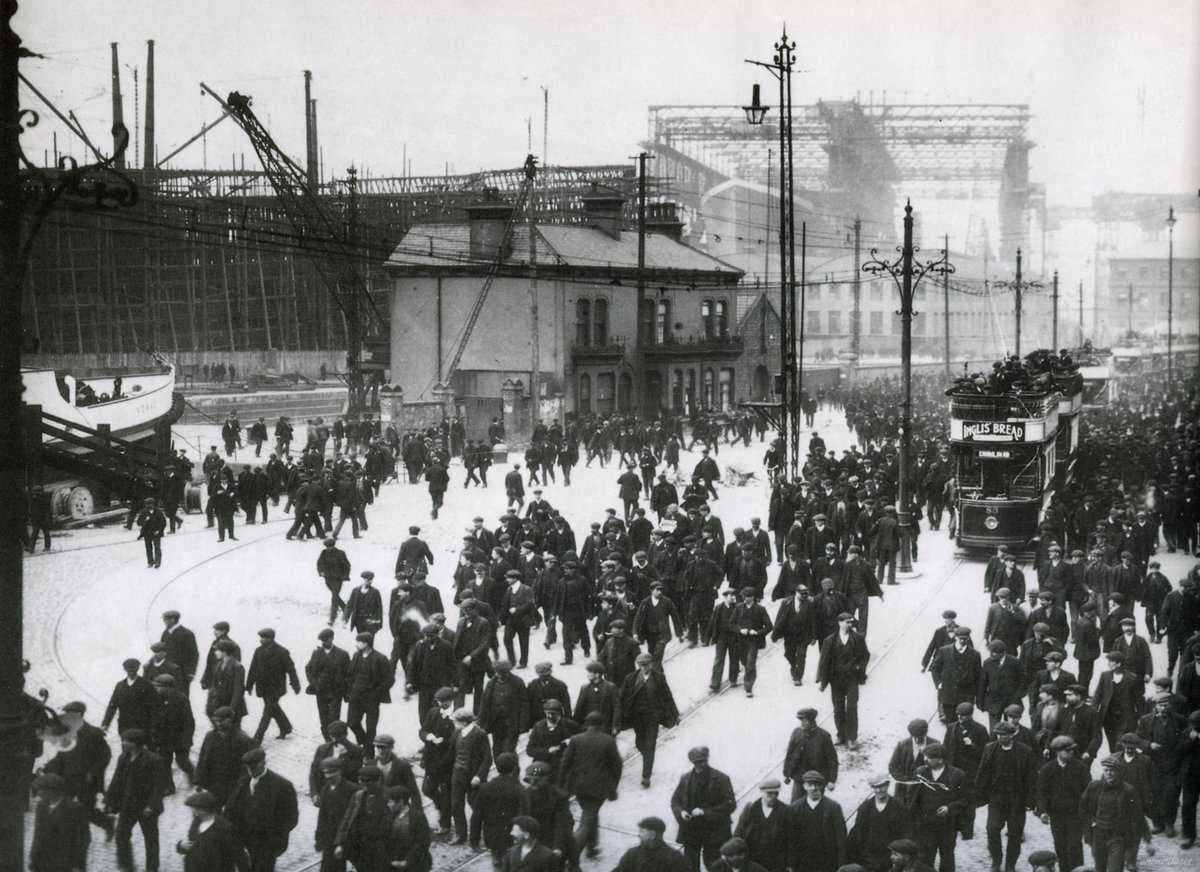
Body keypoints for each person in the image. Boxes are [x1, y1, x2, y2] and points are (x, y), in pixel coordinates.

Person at [974, 721, 1038, 872]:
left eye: (1005, 735)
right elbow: (982, 772)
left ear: (1013, 734)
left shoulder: (1025, 751)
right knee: (992, 829)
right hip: (996, 798)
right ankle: (996, 860)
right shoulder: (990, 749)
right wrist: (978, 795)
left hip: (1017, 799)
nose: (1001, 737)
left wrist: (1031, 800)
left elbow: (1032, 777)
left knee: (1015, 833)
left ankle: (1010, 865)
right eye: (999, 734)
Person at [223, 747, 299, 872]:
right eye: (247, 768)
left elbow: (291, 818)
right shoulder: (242, 783)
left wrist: (274, 837)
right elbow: (230, 809)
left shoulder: (282, 786)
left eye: (253, 767)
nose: (250, 771)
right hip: (243, 839)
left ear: (263, 762)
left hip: (266, 843)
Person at [104, 728, 166, 872]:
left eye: (126, 741)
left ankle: (152, 869)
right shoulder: (124, 757)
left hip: (146, 807)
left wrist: (151, 806)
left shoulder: (154, 759)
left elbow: (159, 786)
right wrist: (109, 801)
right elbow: (117, 780)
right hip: (128, 805)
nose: (123, 743)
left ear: (136, 743)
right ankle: (127, 866)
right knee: (121, 836)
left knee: (151, 840)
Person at [1078, 755, 1154, 872]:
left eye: (1112, 770)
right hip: (1098, 836)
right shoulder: (1094, 786)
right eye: (1106, 770)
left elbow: (1139, 817)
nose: (1109, 773)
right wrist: (1092, 822)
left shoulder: (1128, 791)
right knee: (1100, 868)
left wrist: (1148, 841)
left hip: (1118, 836)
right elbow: (1083, 808)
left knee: (1115, 869)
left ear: (1119, 772)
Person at [671, 746, 737, 872]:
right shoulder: (685, 778)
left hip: (714, 831)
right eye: (697, 762)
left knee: (713, 864)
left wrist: (704, 812)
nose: (701, 764)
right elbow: (675, 801)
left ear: (707, 758)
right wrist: (682, 812)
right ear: (692, 762)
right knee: (690, 866)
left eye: (703, 761)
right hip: (692, 830)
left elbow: (730, 804)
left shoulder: (721, 778)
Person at [619, 651, 680, 787]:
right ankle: (648, 758)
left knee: (650, 744)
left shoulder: (659, 678)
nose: (643, 668)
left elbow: (667, 697)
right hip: (636, 717)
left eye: (646, 665)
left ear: (651, 664)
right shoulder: (631, 678)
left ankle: (646, 776)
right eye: (640, 665)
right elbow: (622, 697)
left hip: (653, 717)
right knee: (640, 743)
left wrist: (676, 714)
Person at [906, 743, 969, 872]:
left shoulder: (957, 775)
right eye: (925, 756)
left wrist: (949, 808)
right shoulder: (920, 772)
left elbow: (966, 799)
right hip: (925, 825)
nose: (925, 760)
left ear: (940, 759)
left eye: (929, 757)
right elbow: (911, 796)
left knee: (947, 858)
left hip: (947, 826)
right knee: (925, 858)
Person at [1035, 736, 1089, 872]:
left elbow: (1089, 791)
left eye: (1072, 750)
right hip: (1057, 816)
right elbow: (1041, 793)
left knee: (1075, 846)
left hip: (1075, 815)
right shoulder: (1048, 769)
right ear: (1058, 752)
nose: (1071, 752)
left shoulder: (1080, 768)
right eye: (1068, 750)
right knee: (1060, 847)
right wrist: (1043, 812)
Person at [818, 612, 870, 748]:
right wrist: (822, 681)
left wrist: (860, 668)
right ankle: (841, 734)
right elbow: (824, 661)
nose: (850, 625)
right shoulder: (830, 640)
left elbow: (865, 655)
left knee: (852, 708)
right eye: (847, 622)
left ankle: (852, 738)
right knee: (838, 709)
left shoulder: (857, 638)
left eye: (851, 622)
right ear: (839, 623)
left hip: (852, 679)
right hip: (836, 680)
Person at [245, 628, 300, 744]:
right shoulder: (258, 651)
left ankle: (257, 738)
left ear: (270, 638)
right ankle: (286, 727)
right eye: (261, 637)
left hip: (276, 688)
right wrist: (249, 685)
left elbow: (291, 669)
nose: (261, 640)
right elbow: (253, 668)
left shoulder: (282, 652)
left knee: (267, 712)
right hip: (263, 687)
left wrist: (295, 685)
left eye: (263, 637)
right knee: (273, 708)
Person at [846, 773, 910, 872]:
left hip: (891, 858)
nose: (879, 790)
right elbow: (858, 835)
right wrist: (864, 856)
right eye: (875, 787)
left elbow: (905, 834)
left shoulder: (898, 808)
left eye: (881, 786)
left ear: (888, 785)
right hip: (869, 858)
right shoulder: (865, 807)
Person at [28, 773, 90, 872]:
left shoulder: (74, 809)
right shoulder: (41, 806)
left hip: (64, 863)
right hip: (42, 862)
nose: (38, 793)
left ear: (52, 791)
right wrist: (33, 857)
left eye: (41, 790)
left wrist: (77, 865)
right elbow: (38, 834)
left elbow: (82, 840)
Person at [176, 789, 250, 871]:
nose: (192, 811)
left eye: (194, 808)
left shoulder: (225, 828)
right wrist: (181, 846)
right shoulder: (196, 823)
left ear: (202, 810)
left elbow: (239, 856)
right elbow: (192, 845)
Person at [449, 708, 493, 844]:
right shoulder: (457, 733)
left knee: (476, 806)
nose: (454, 724)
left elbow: (487, 758)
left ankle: (481, 835)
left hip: (473, 778)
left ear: (463, 722)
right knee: (456, 805)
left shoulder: (480, 734)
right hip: (457, 775)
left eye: (455, 722)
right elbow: (451, 753)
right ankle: (460, 835)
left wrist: (479, 776)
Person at [471, 750, 523, 862]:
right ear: (514, 769)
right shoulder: (520, 790)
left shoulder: (486, 788)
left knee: (497, 862)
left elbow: (477, 816)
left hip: (492, 837)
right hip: (512, 837)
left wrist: (474, 840)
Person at [790, 770, 846, 872]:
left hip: (826, 861)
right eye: (810, 784)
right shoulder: (795, 808)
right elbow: (790, 839)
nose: (813, 788)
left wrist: (841, 865)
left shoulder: (833, 807)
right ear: (804, 786)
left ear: (822, 786)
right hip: (802, 861)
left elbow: (841, 839)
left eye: (817, 784)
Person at [344, 631, 393, 749]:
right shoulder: (356, 656)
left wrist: (376, 693)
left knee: (371, 727)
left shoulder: (380, 658)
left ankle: (368, 754)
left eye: (359, 642)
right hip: (356, 695)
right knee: (352, 723)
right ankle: (364, 742)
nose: (357, 644)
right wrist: (351, 690)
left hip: (371, 698)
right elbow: (350, 674)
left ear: (366, 644)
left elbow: (389, 679)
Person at [313, 756, 361, 872]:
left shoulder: (353, 789)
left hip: (349, 836)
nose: (328, 776)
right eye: (325, 773)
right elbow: (322, 815)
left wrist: (343, 842)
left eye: (331, 772)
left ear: (340, 770)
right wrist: (319, 837)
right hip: (330, 837)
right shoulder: (326, 789)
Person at [733, 779, 793, 872]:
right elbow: (739, 832)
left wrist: (789, 864)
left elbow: (791, 839)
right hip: (753, 858)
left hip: (776, 861)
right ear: (762, 792)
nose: (773, 796)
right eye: (769, 793)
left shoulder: (785, 810)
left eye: (776, 793)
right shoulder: (751, 808)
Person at [149, 674, 196, 791]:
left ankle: (194, 776)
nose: (156, 688)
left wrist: (186, 739)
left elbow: (188, 721)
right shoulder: (157, 698)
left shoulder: (181, 698)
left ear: (168, 687)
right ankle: (169, 787)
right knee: (164, 763)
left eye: (159, 686)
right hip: (164, 737)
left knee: (182, 761)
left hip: (180, 737)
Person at [782, 707, 839, 800]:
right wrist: (787, 773)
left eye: (805, 721)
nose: (802, 724)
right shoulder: (796, 733)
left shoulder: (824, 736)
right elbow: (790, 754)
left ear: (812, 722)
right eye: (801, 721)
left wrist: (832, 780)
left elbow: (832, 760)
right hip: (799, 777)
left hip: (817, 778)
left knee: (815, 804)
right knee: (795, 804)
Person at [305, 628, 349, 741]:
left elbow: (348, 674)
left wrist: (346, 690)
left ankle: (337, 739)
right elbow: (308, 668)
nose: (324, 642)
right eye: (322, 640)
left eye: (326, 640)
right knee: (323, 718)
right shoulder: (316, 653)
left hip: (336, 691)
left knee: (334, 717)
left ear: (332, 638)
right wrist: (313, 683)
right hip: (321, 691)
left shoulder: (342, 654)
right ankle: (327, 741)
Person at [733, 585, 773, 698]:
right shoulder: (738, 608)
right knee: (745, 662)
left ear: (752, 597)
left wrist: (758, 632)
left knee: (750, 663)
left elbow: (769, 626)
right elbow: (731, 624)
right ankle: (750, 675)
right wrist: (740, 630)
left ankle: (748, 687)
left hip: (753, 641)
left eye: (746, 596)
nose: (744, 598)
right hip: (741, 640)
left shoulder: (760, 609)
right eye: (743, 596)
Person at [612, 816, 689, 872]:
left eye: (642, 832)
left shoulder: (674, 858)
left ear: (652, 835)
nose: (639, 835)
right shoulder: (632, 854)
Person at [384, 786, 432, 872]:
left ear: (400, 802)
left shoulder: (417, 817)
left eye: (390, 802)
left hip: (413, 863)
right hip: (393, 861)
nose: (388, 804)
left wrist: (407, 862)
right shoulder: (389, 815)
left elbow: (422, 842)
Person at [317, 538, 351, 626]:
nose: (329, 549)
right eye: (328, 547)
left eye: (330, 547)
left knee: (334, 598)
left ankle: (332, 618)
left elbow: (347, 565)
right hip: (328, 579)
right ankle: (346, 608)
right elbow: (319, 564)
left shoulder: (340, 553)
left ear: (333, 546)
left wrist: (345, 575)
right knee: (335, 596)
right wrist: (321, 572)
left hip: (337, 579)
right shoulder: (323, 553)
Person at [136, 497, 168, 568]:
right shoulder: (144, 512)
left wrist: (159, 530)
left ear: (153, 504)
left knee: (157, 547)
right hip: (147, 533)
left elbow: (163, 522)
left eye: (151, 504)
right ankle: (150, 562)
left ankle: (157, 562)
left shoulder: (158, 512)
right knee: (148, 548)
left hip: (156, 533)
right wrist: (144, 521)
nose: (149, 506)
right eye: (147, 504)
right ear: (145, 505)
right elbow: (138, 522)